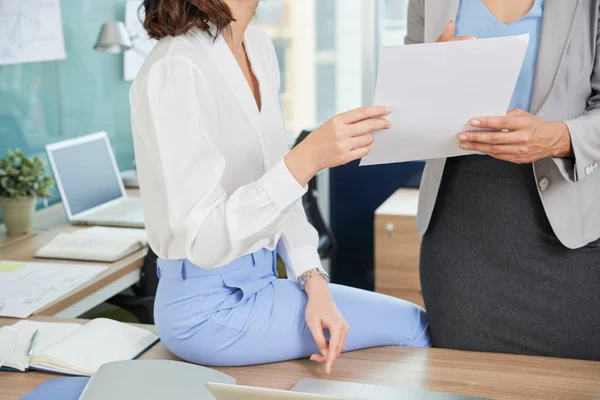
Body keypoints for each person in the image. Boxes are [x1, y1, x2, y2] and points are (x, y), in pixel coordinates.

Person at [129, 0, 430, 373]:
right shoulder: (176, 67)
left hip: (262, 282)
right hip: (206, 308)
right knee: (414, 328)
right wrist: (306, 160)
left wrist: (314, 283)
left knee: (401, 328)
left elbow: (279, 194)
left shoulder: (256, 47)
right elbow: (205, 240)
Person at [407, 0, 600, 361]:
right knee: (465, 381)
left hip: (572, 235)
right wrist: (429, 78)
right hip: (461, 231)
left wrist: (558, 138)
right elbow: (402, 109)